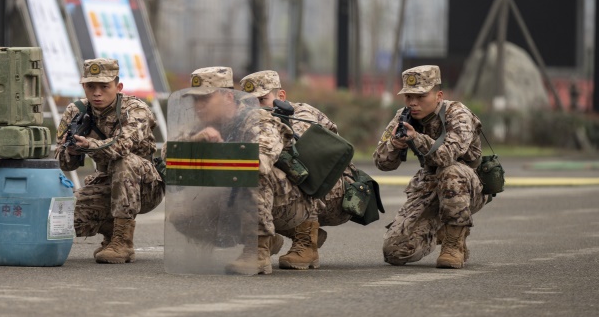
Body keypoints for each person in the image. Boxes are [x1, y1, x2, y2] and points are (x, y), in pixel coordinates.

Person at [167, 66, 314, 275]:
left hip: (289, 202)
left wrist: (221, 151)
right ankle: (266, 237)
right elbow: (168, 155)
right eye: (194, 100)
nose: (198, 106)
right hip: (234, 200)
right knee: (181, 216)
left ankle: (258, 249)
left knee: (250, 173)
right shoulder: (202, 125)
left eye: (204, 99)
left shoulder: (258, 120)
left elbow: (261, 162)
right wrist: (195, 142)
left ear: (228, 97)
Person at [373, 65, 490, 269]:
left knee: (451, 172)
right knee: (395, 252)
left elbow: (446, 156)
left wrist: (416, 139)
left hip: (467, 185)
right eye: (408, 97)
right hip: (429, 185)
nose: (413, 103)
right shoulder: (404, 116)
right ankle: (441, 229)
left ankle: (454, 244)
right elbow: (381, 163)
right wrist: (394, 145)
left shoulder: (458, 114)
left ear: (439, 95)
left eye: (420, 96)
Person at [240, 70, 358, 270]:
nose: (256, 108)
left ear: (281, 97)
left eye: (262, 99)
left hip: (335, 189)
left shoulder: (301, 114)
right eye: (249, 103)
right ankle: (268, 237)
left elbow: (303, 158)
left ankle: (307, 241)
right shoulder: (247, 122)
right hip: (303, 186)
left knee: (293, 168)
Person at [55, 58, 164, 264]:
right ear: (83, 86)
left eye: (104, 86)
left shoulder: (135, 110)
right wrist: (71, 151)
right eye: (90, 86)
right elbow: (63, 163)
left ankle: (123, 242)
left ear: (118, 87)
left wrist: (88, 145)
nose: (97, 92)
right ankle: (112, 231)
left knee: (125, 162)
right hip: (106, 183)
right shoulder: (75, 111)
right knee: (66, 219)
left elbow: (121, 148)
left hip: (145, 186)